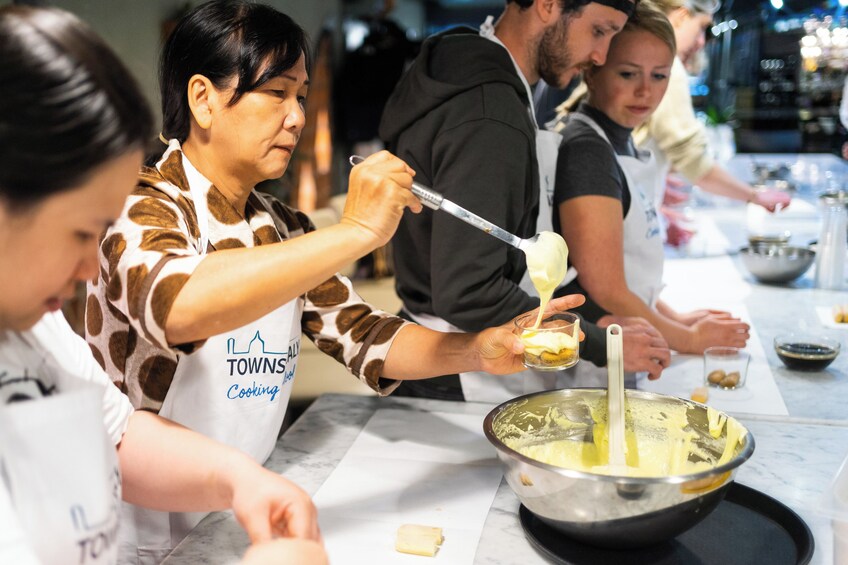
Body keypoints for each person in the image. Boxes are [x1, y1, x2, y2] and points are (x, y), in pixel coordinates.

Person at [85, 1, 580, 561]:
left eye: (299, 96)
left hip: (240, 511)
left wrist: (478, 350)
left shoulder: (280, 224)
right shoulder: (141, 205)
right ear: (203, 99)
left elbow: (364, 334)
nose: (297, 117)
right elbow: (178, 304)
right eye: (276, 93)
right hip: (137, 530)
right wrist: (356, 231)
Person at [0, 5, 327, 564]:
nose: (88, 271)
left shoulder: (38, 329)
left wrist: (240, 482)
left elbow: (118, 434)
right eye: (80, 233)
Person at [380, 0, 672, 400]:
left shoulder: (480, 76)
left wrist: (592, 320)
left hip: (444, 355)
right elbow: (469, 291)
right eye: (599, 31)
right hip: (461, 371)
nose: (600, 56)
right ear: (548, 5)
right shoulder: (489, 114)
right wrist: (596, 342)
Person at [550, 0, 750, 358]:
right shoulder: (587, 149)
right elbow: (606, 288)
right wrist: (688, 338)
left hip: (633, 334)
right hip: (598, 356)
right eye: (628, 74)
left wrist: (675, 318)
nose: (645, 91)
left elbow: (629, 276)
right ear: (592, 71)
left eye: (659, 76)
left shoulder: (622, 139)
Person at [631, 0, 790, 214]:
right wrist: (755, 196)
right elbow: (691, 158)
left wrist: (652, 191)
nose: (700, 42)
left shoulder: (635, 56)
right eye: (701, 28)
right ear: (681, 16)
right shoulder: (667, 67)